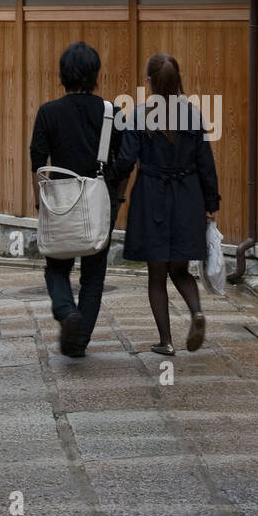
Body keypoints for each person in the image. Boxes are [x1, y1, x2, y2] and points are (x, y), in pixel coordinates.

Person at [108, 53, 220, 355]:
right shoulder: (193, 115)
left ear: (150, 82)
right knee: (180, 268)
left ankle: (166, 341)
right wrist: (211, 202)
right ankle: (196, 311)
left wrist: (108, 178)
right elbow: (205, 163)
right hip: (187, 196)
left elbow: (127, 161)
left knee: (156, 274)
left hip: (152, 196)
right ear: (178, 79)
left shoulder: (139, 115)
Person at [29, 41, 125, 357]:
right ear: (95, 74)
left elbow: (38, 163)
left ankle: (66, 312)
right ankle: (78, 341)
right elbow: (124, 163)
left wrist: (39, 203)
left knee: (56, 268)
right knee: (93, 277)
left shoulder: (48, 112)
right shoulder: (113, 113)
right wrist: (118, 198)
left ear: (63, 74)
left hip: (59, 201)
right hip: (100, 202)